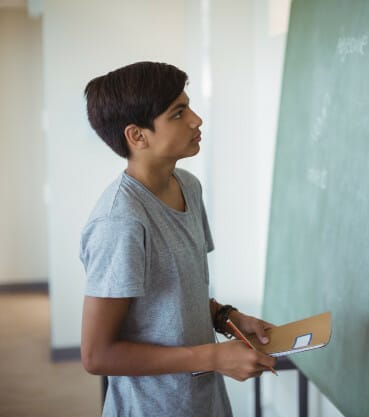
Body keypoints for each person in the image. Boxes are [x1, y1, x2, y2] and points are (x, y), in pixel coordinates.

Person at [79, 61, 277, 417]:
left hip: (205, 403)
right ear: (137, 136)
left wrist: (228, 319)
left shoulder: (188, 185)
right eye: (178, 113)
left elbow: (176, 298)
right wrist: (212, 356)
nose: (196, 120)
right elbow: (97, 355)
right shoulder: (120, 222)